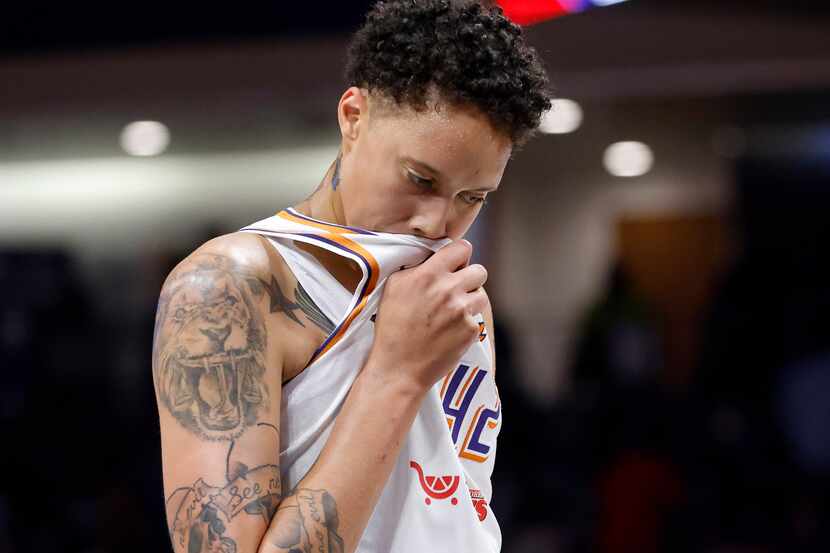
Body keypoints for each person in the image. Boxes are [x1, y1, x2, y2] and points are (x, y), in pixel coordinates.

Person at [151, 1, 551, 552]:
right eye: (420, 179)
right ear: (353, 117)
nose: (436, 222)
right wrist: (396, 374)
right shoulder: (229, 283)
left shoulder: (462, 304)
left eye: (472, 197)